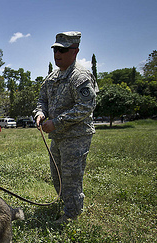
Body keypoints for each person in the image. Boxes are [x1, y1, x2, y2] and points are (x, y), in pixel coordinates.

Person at [33, 31, 98, 224]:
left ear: (75, 51)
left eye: (62, 50)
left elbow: (85, 107)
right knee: (57, 175)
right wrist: (40, 113)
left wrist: (56, 122)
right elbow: (42, 100)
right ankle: (66, 205)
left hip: (76, 136)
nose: (57, 54)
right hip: (58, 136)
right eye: (55, 50)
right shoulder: (52, 77)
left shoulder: (81, 77)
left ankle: (71, 215)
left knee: (71, 177)